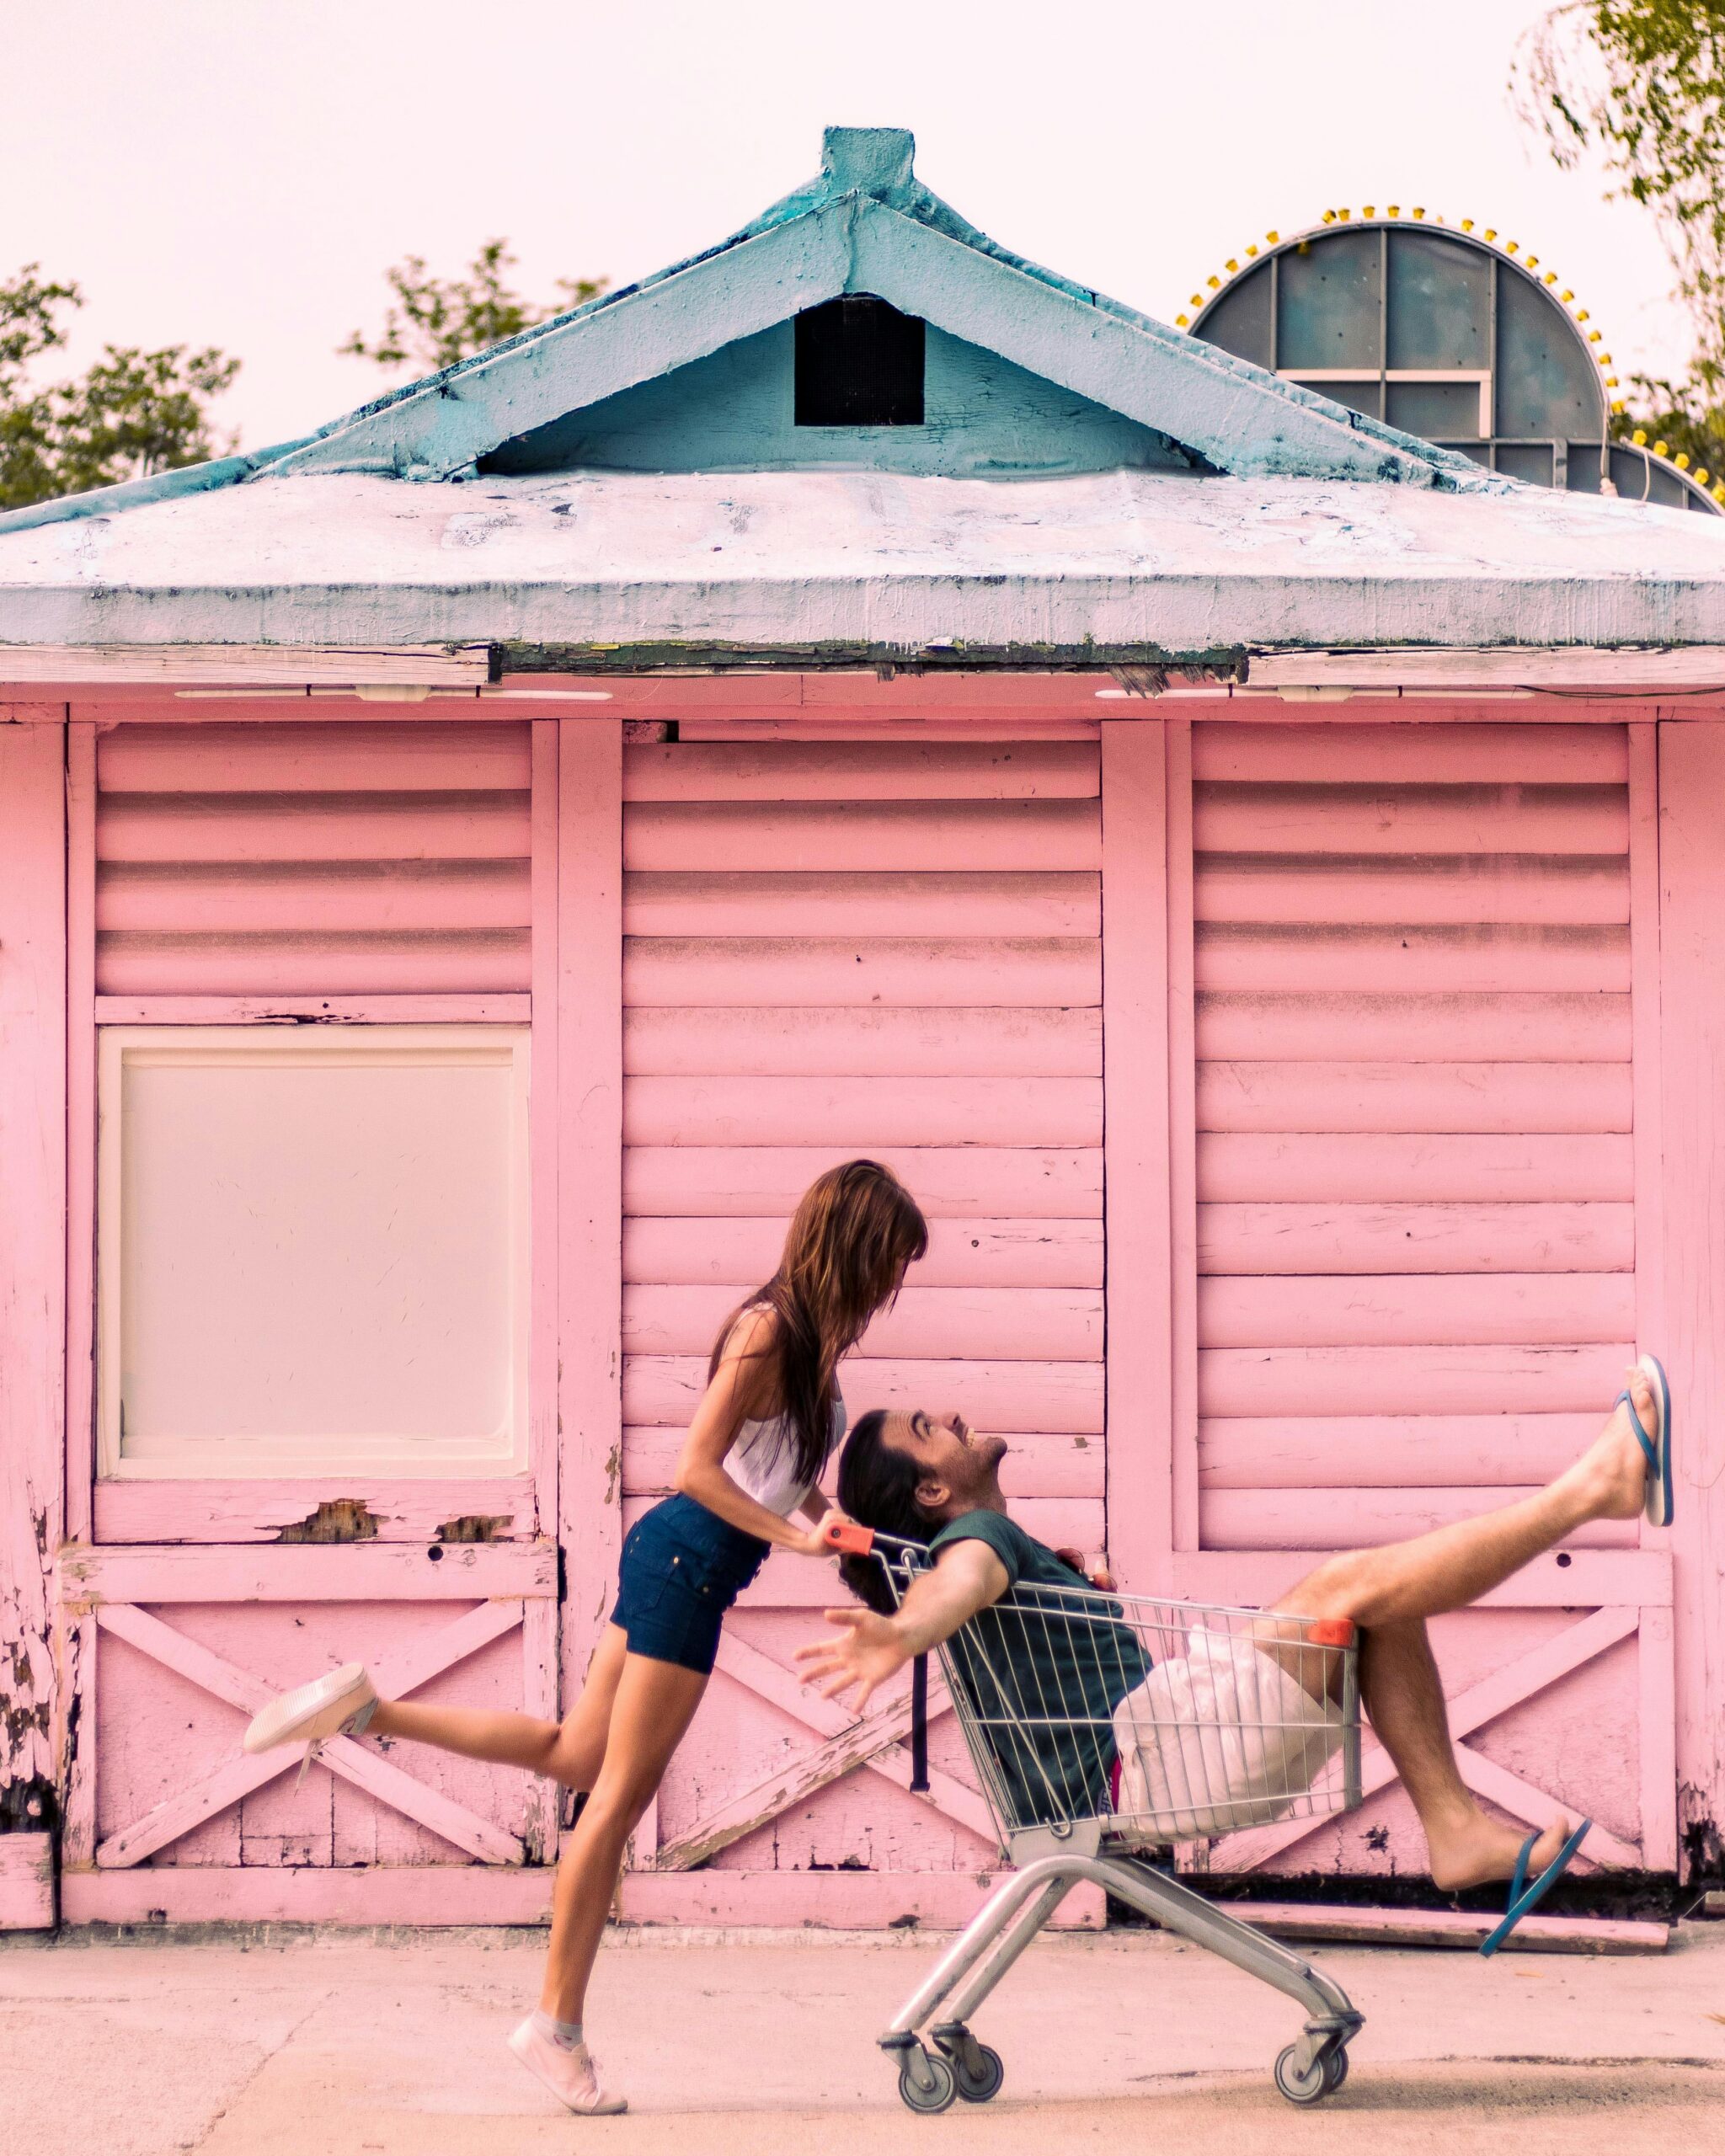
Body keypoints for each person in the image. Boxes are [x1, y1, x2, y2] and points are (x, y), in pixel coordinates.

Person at [243, 1159, 928, 2114]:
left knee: (574, 1756)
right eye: (889, 1259)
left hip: (685, 1563)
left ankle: (369, 1708)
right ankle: (554, 2024)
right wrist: (788, 1532)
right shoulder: (767, 1329)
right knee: (613, 1800)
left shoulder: (806, 1346)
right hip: (688, 1562)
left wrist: (826, 1526)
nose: (891, 1284)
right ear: (852, 1243)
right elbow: (694, 1466)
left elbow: (768, 1473)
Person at [801, 1357, 1672, 1955]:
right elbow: (957, 1582)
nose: (949, 1414)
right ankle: (1590, 1490)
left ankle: (1452, 1830)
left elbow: (974, 1589)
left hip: (1166, 1735)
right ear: (931, 1489)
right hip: (1155, 1754)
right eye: (926, 1427)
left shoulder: (993, 1541)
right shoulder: (975, 1536)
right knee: (1346, 1586)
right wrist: (905, 1629)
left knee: (1378, 1600)